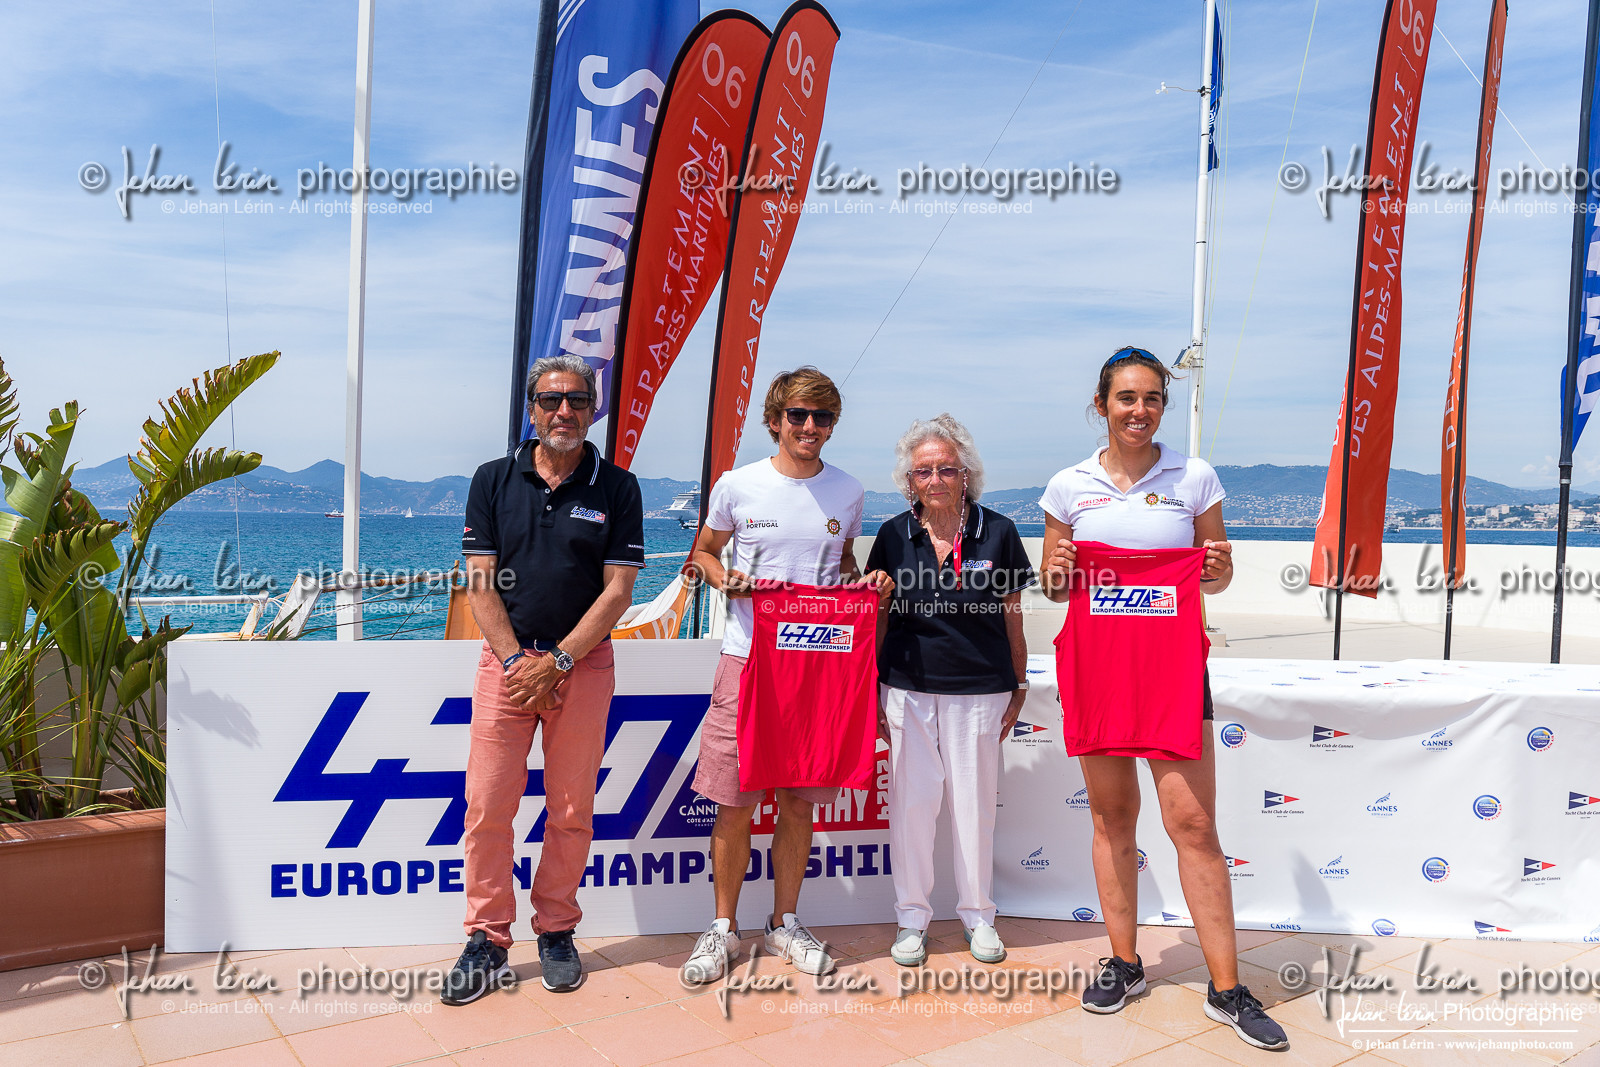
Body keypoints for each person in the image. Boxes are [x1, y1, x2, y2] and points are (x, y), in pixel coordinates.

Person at [1039, 347, 1288, 1051]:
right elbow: (1058, 587)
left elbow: (1216, 576)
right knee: (1112, 818)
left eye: (1151, 398)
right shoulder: (1068, 486)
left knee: (1194, 825)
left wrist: (1217, 566)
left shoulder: (1195, 477)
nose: (1139, 410)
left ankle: (1227, 987)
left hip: (1174, 675)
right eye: (1126, 398)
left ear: (1162, 406)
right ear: (1102, 404)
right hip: (1098, 673)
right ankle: (1124, 963)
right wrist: (1058, 571)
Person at [442, 355, 645, 1004]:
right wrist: (514, 665)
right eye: (552, 399)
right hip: (505, 667)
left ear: (592, 411)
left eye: (578, 400)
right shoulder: (492, 480)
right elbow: (480, 579)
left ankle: (556, 929)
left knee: (569, 811)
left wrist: (556, 661)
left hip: (580, 669)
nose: (565, 411)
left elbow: (618, 592)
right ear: (531, 409)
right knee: (486, 807)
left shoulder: (618, 487)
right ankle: (486, 938)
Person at [679, 366, 891, 984]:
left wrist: (863, 584)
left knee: (800, 801)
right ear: (776, 421)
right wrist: (725, 580)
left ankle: (784, 922)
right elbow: (704, 552)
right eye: (798, 415)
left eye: (822, 418)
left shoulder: (848, 491)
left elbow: (842, 565)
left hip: (818, 666)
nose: (809, 427)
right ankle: (722, 929)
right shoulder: (737, 486)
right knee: (735, 800)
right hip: (748, 660)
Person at [865, 415, 1033, 967]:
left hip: (980, 690)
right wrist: (872, 683)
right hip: (908, 689)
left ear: (966, 476)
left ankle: (978, 915)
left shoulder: (1000, 532)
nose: (935, 479)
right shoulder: (893, 535)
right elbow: (879, 614)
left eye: (946, 469)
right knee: (911, 808)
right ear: (909, 481)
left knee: (974, 807)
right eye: (923, 471)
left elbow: (1013, 616)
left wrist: (1020, 680)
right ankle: (910, 919)